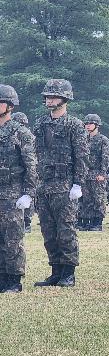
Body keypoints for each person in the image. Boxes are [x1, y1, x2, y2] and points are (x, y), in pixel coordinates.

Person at [33, 79, 89, 287]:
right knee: (48, 231)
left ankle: (68, 272)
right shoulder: (40, 123)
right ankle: (55, 270)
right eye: (48, 96)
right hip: (45, 184)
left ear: (65, 99)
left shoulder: (74, 124)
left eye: (54, 96)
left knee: (65, 230)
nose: (50, 99)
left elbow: (81, 155)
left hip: (65, 185)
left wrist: (78, 183)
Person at [0, 85, 37, 293]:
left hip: (13, 193)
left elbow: (31, 165)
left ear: (10, 106)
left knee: (12, 238)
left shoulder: (20, 132)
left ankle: (14, 279)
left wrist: (28, 193)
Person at [79, 114, 109, 232]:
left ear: (97, 125)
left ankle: (97, 222)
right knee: (85, 199)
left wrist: (103, 173)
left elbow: (106, 157)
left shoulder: (102, 139)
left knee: (98, 198)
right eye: (86, 124)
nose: (87, 126)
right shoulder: (82, 139)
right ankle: (87, 221)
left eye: (90, 124)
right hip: (85, 173)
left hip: (97, 173)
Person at [11, 112, 35, 233]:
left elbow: (30, 160)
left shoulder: (26, 135)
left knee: (26, 197)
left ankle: (27, 222)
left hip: (25, 171)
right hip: (15, 173)